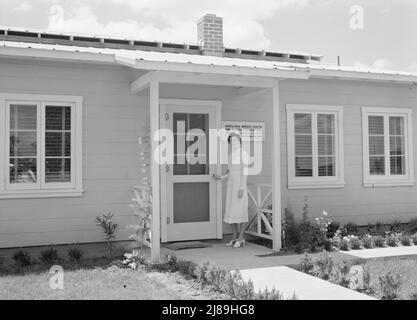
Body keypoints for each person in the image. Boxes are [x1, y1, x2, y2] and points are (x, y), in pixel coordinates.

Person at [213, 132, 248, 248]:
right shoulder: (231, 155)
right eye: (231, 141)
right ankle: (234, 237)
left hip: (239, 185)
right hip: (231, 186)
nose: (233, 143)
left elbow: (245, 172)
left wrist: (242, 188)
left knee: (241, 211)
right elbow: (230, 171)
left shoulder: (243, 154)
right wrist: (222, 177)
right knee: (231, 211)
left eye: (235, 140)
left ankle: (241, 237)